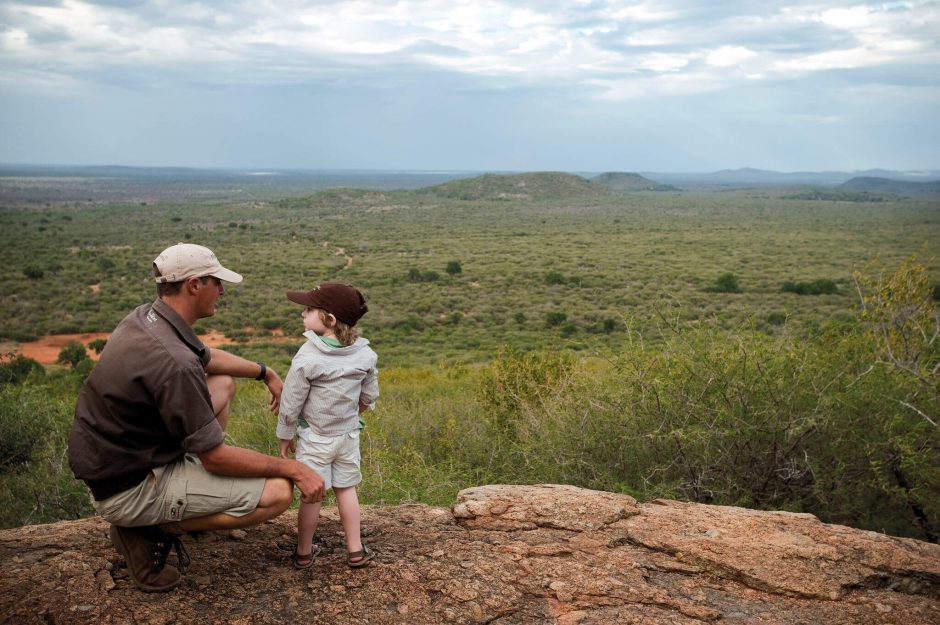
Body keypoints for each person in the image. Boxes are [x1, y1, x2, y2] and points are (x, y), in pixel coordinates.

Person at [67, 243, 326, 593]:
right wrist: (294, 468)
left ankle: (166, 506)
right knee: (278, 492)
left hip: (119, 461)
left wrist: (265, 372)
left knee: (221, 383)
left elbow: (205, 358)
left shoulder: (147, 318)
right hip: (129, 488)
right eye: (215, 282)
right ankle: (148, 529)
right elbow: (216, 457)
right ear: (193, 285)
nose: (221, 290)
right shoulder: (174, 363)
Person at [277, 282, 378, 569]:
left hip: (315, 438)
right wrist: (350, 414)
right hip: (348, 436)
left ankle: (304, 552)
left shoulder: (308, 357)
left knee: (312, 494)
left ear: (329, 320)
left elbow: (291, 402)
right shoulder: (365, 355)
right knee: (347, 489)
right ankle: (355, 550)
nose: (303, 314)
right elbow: (369, 396)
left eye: (309, 310)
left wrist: (285, 435)